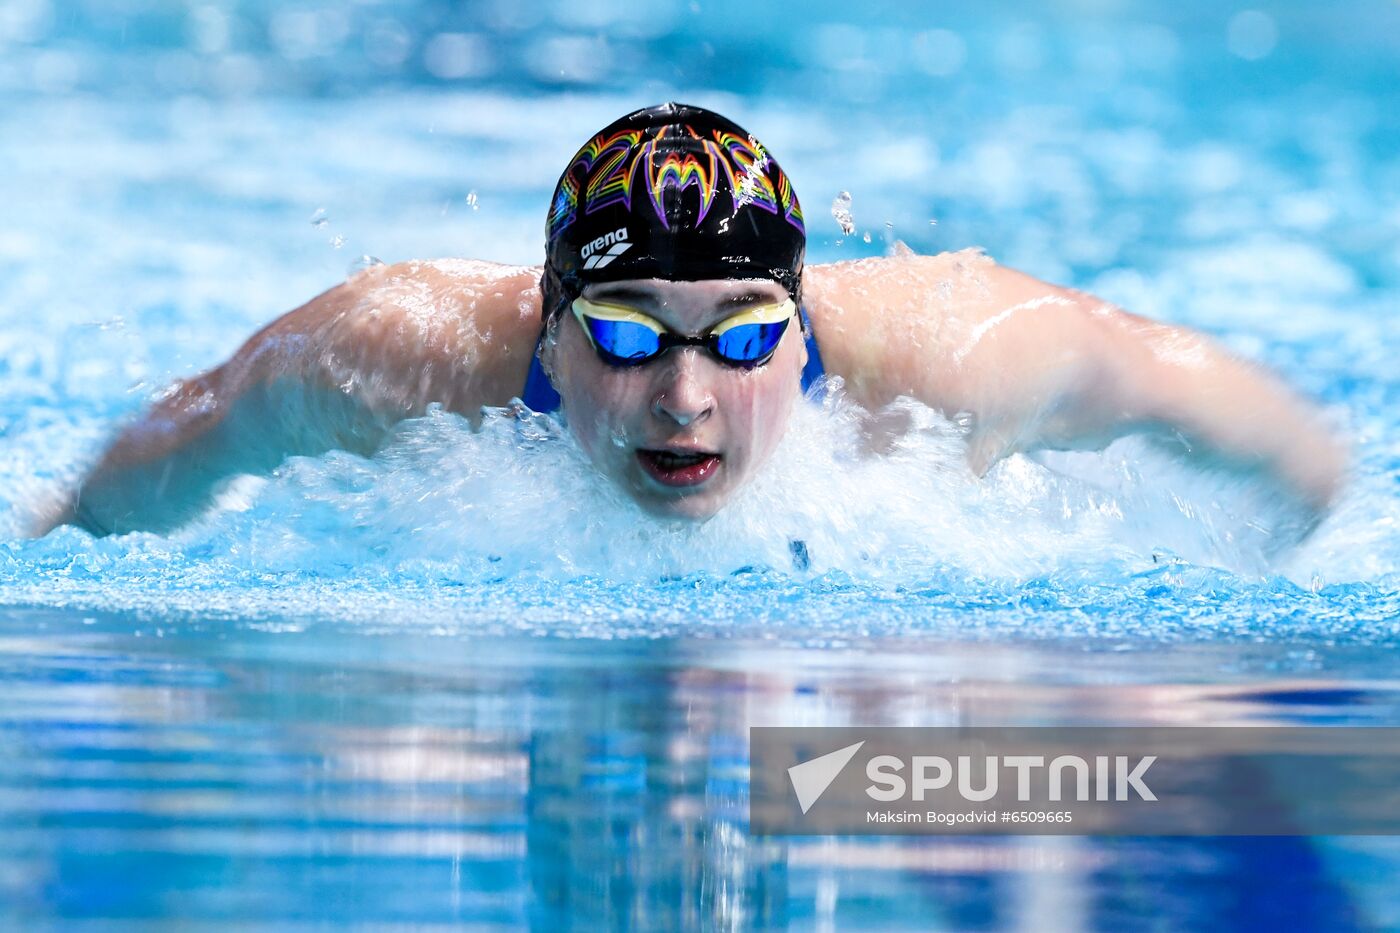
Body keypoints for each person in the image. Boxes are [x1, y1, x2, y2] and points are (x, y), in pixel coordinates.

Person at [39, 102, 1346, 538]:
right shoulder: (394, 358)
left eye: (738, 335)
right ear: (547, 326)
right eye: (623, 331)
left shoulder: (958, 359)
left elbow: (1266, 436)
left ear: (799, 321)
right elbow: (143, 481)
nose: (684, 396)